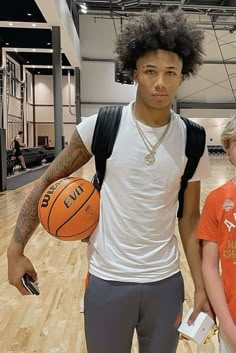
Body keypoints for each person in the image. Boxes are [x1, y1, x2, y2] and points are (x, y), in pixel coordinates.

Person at [7, 9, 212, 353]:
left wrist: (201, 286)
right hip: (107, 280)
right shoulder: (101, 126)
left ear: (182, 76)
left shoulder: (193, 139)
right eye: (150, 72)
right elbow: (47, 182)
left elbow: (189, 220)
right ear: (135, 73)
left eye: (170, 73)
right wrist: (16, 249)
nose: (160, 82)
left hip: (165, 284)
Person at [197, 116, 236, 353]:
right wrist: (230, 329)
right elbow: (209, 267)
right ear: (227, 147)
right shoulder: (216, 200)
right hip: (232, 323)